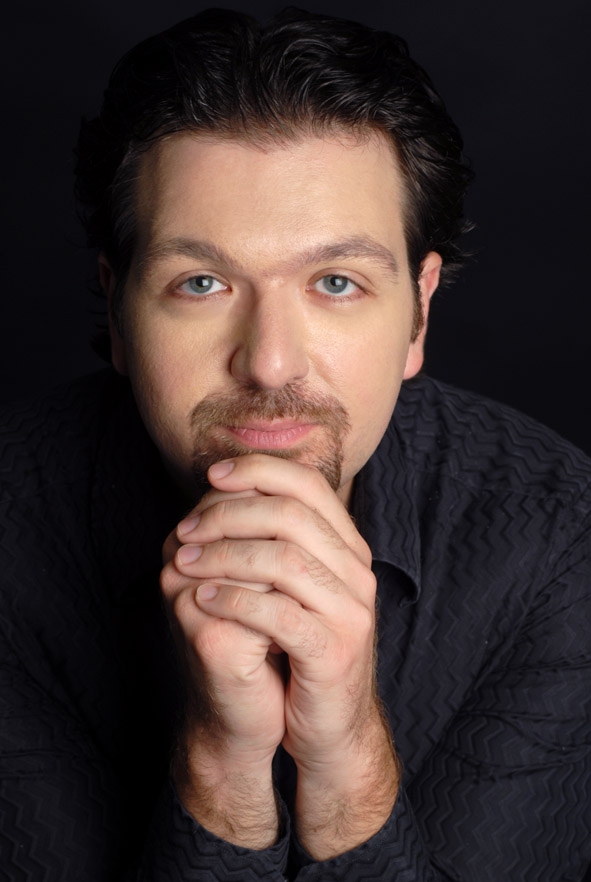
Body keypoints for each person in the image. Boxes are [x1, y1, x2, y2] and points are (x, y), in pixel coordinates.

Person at [1, 7, 589, 881]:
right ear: (119, 310)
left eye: (336, 282)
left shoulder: (560, 540)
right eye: (201, 282)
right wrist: (220, 771)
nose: (269, 362)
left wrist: (349, 763)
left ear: (419, 310)